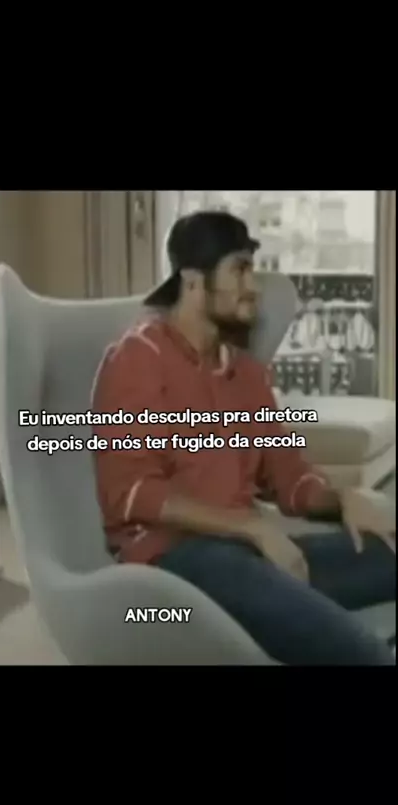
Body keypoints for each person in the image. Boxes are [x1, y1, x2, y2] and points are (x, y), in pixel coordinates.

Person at [91, 210, 396, 666]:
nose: (253, 286)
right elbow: (131, 492)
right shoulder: (138, 358)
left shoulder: (247, 375)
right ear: (193, 281)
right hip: (173, 569)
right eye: (240, 270)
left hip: (248, 556)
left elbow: (290, 478)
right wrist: (251, 526)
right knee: (361, 652)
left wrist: (343, 499)